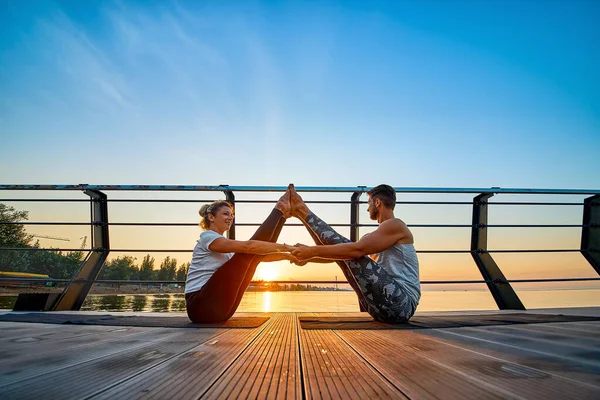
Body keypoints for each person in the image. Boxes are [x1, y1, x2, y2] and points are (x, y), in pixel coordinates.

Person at [289, 184, 420, 323]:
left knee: (352, 252)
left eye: (369, 203)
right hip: (381, 307)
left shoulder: (396, 225)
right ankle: (301, 214)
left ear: (377, 202)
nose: (367, 208)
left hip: (402, 304)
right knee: (347, 252)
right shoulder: (374, 236)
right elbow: (343, 255)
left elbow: (355, 251)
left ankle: (301, 210)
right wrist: (310, 256)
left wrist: (312, 251)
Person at [185, 188, 297, 323]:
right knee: (248, 252)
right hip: (199, 305)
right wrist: (287, 247)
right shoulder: (207, 237)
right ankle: (279, 209)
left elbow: (257, 256)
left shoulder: (226, 246)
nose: (230, 218)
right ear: (211, 217)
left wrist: (287, 255)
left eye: (231, 215)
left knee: (252, 259)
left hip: (219, 311)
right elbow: (248, 247)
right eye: (226, 214)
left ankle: (282, 215)